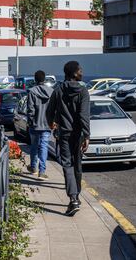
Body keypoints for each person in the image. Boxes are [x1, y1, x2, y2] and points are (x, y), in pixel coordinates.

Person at [46, 61, 90, 216]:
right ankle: (76, 196)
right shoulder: (83, 91)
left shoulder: (58, 91)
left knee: (67, 165)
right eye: (80, 69)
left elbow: (49, 112)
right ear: (74, 73)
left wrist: (51, 124)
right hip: (78, 134)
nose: (82, 71)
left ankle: (73, 199)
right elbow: (84, 116)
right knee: (77, 164)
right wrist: (86, 135)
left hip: (64, 133)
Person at [27, 70, 54, 180]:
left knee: (34, 147)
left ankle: (33, 167)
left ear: (35, 79)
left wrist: (31, 122)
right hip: (47, 124)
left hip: (35, 124)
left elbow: (30, 109)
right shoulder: (51, 92)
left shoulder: (32, 91)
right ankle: (42, 171)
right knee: (43, 147)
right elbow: (54, 109)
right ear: (44, 79)